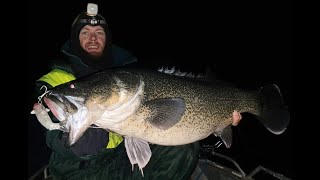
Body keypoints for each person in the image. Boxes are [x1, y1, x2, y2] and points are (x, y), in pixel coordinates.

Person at [33, 3, 200, 179]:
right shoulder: (53, 80)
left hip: (118, 159)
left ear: (107, 40)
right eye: (85, 33)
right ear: (76, 40)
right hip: (77, 170)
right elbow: (56, 139)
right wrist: (88, 131)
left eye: (99, 33)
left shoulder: (122, 77)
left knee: (185, 149)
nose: (92, 38)